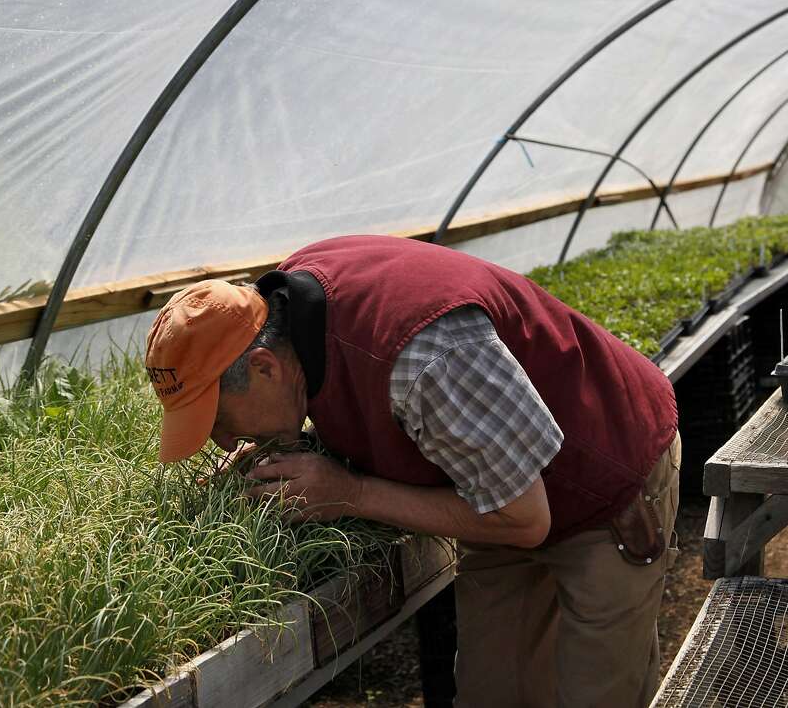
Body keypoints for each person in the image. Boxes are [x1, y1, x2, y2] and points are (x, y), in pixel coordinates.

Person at [145, 234, 680, 707]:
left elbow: (524, 518)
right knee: (493, 693)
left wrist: (348, 493)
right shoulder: (290, 313)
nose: (223, 441)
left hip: (603, 487)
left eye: (218, 421)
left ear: (263, 367)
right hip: (495, 489)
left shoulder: (426, 357)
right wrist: (292, 447)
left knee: (595, 693)